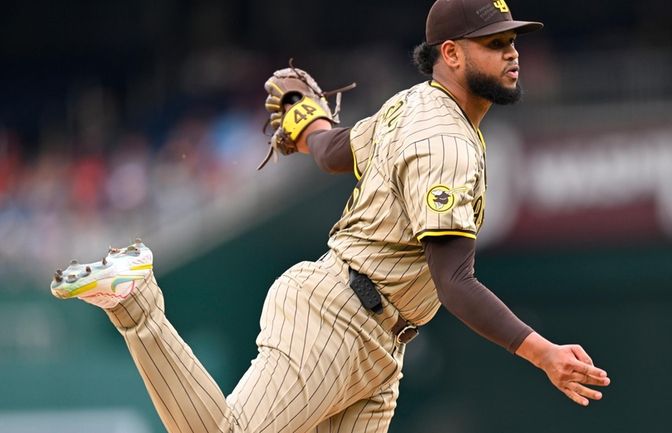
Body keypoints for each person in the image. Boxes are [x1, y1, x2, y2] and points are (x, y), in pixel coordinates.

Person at [51, 1, 610, 432]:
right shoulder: (446, 141)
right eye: (494, 43)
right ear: (452, 54)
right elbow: (455, 280)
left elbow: (334, 151)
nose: (511, 53)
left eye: (512, 41)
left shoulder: (414, 103)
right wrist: (542, 353)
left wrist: (307, 122)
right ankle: (137, 306)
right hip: (338, 318)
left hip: (380, 344)